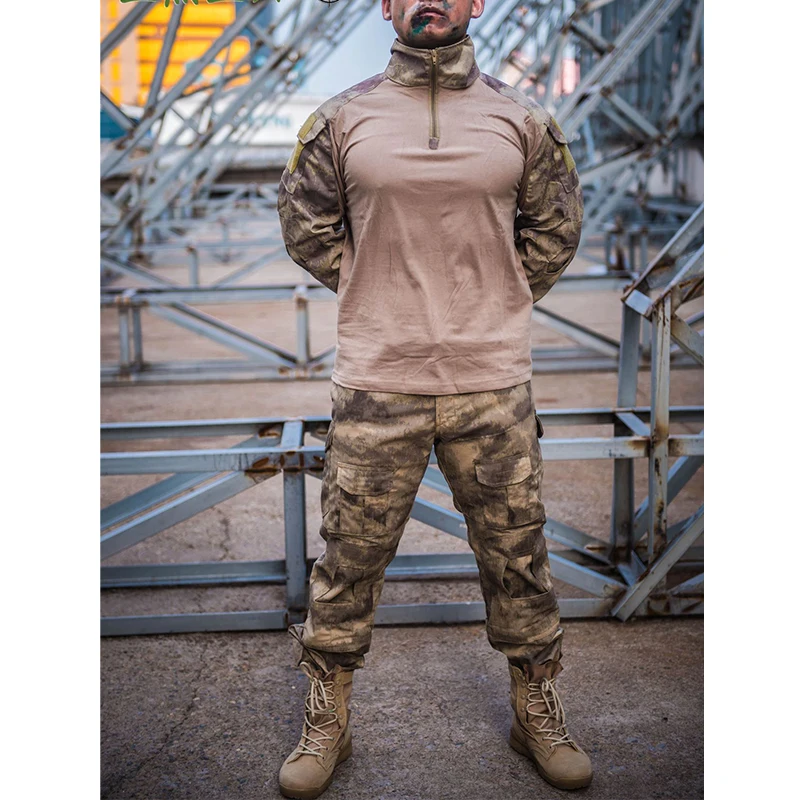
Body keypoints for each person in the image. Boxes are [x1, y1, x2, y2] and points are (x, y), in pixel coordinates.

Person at [275, 1, 589, 796]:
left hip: (492, 381)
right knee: (348, 557)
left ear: (476, 2)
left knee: (519, 555)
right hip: (379, 380)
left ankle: (535, 708)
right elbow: (306, 227)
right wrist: (374, 289)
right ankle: (329, 717)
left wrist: (494, 299)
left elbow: (555, 229)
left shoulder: (522, 120)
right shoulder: (341, 120)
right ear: (385, 5)